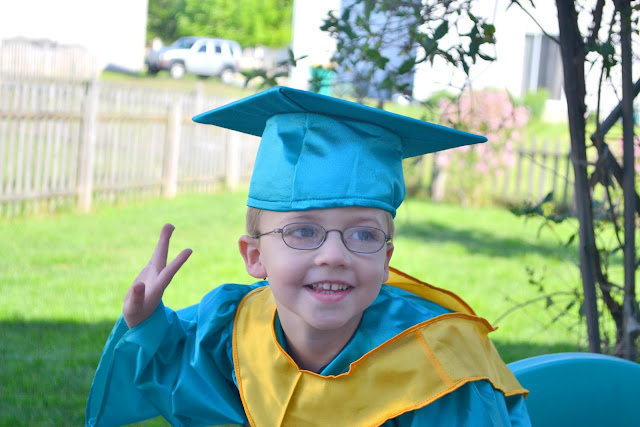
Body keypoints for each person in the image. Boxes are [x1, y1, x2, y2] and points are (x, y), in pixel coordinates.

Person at [86, 86, 530, 426]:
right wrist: (146, 324)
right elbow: (179, 362)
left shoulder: (442, 366)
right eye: (302, 231)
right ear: (254, 257)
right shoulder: (232, 329)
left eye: (363, 234)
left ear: (386, 259)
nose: (334, 255)